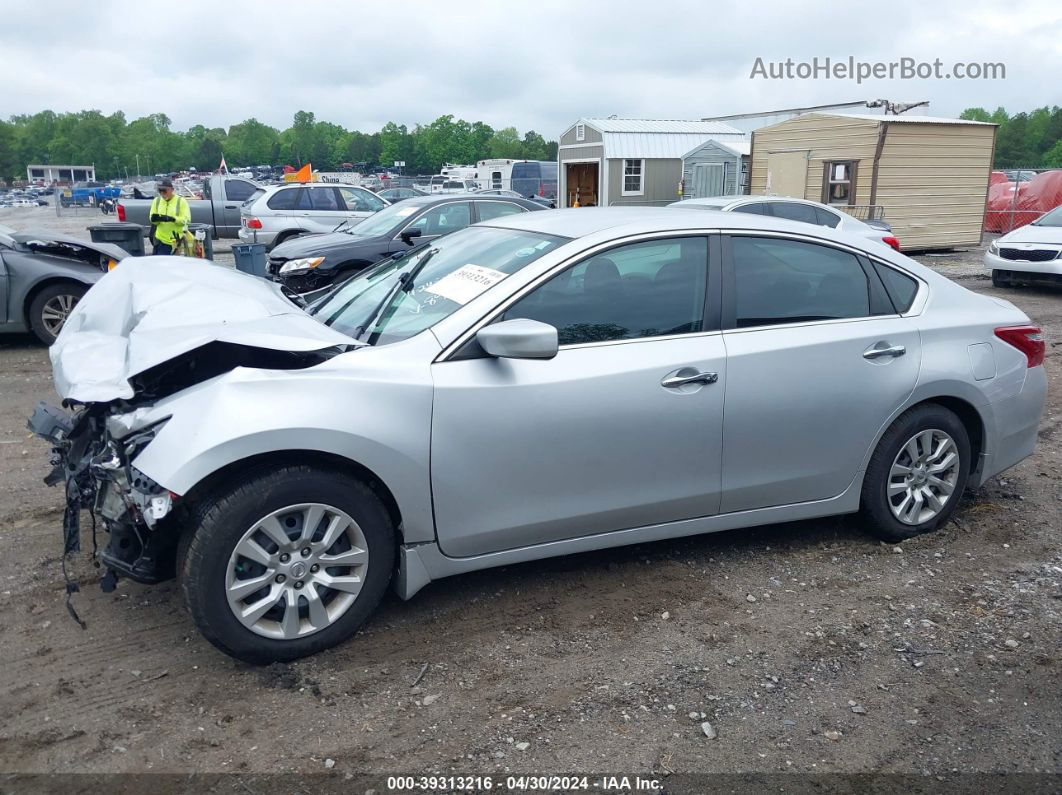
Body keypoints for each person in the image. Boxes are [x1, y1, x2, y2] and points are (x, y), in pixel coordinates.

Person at [149, 179, 191, 255]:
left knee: (173, 265)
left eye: (164, 190)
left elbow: (187, 220)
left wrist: (173, 219)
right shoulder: (157, 201)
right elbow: (152, 218)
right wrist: (155, 219)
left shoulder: (181, 201)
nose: (162, 193)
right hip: (160, 240)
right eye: (160, 190)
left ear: (172, 190)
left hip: (175, 241)